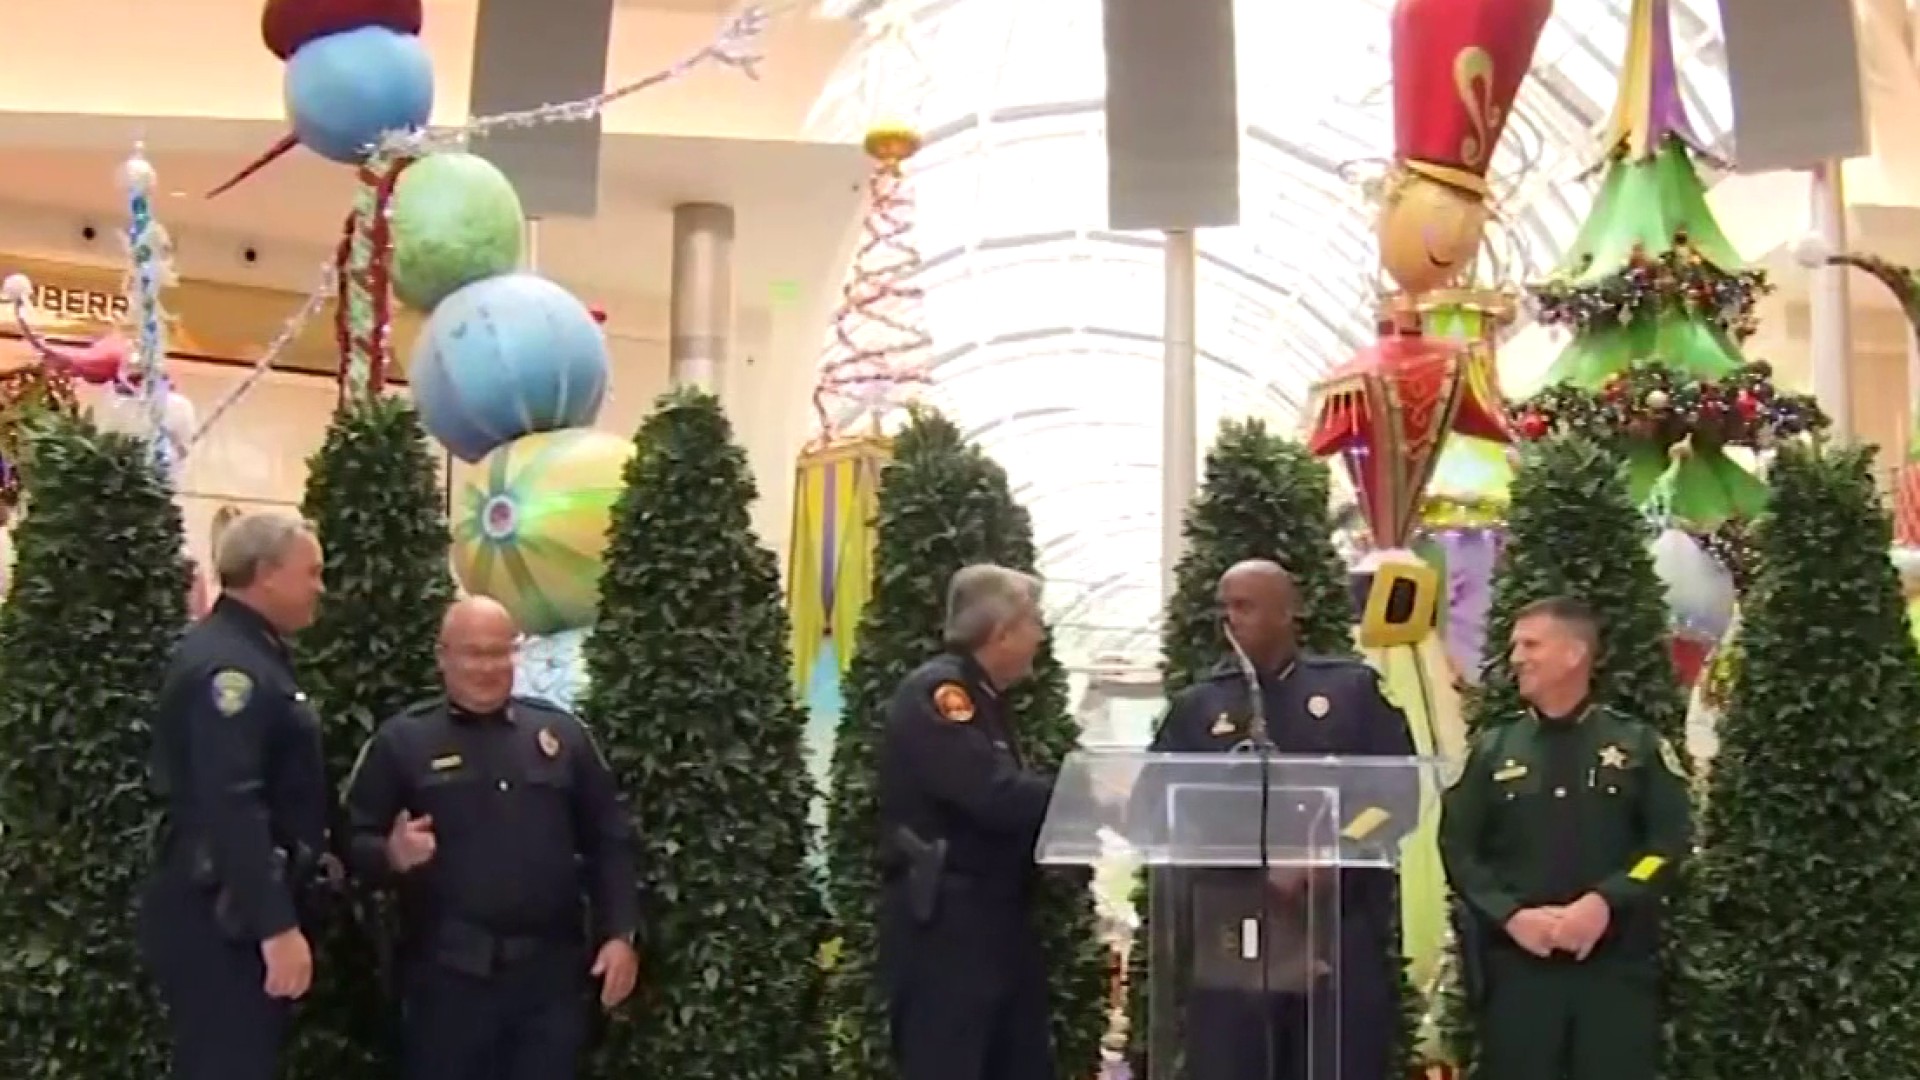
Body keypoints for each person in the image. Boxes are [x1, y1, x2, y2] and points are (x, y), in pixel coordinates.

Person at [341, 595, 640, 1080]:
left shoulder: (561, 737)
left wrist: (620, 934)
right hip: (447, 983)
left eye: (501, 652)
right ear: (443, 656)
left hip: (549, 982)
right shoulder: (404, 742)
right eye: (474, 653)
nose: (488, 667)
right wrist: (390, 855)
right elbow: (351, 843)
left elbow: (610, 838)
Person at [1146, 559, 1417, 1080]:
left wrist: (1329, 851)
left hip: (1335, 925)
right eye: (1224, 607)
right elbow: (1157, 807)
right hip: (1238, 925)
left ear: (1287, 611)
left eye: (1244, 605)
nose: (1231, 619)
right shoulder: (1198, 707)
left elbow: (1396, 793)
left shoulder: (1351, 693)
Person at [1438, 596, 1692, 1080]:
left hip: (1615, 975)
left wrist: (1606, 901)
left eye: (1531, 644)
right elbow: (1458, 850)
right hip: (1518, 975)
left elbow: (1665, 847)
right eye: (1515, 645)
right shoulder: (1493, 751)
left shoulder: (1636, 747)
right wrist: (1510, 915)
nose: (1516, 658)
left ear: (1574, 654)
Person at [139, 512, 331, 1080]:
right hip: (223, 917)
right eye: (312, 573)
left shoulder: (252, 650)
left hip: (232, 907)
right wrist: (274, 925)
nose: (320, 588)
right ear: (267, 575)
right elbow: (232, 803)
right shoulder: (232, 669)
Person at [877, 563, 1066, 1080]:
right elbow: (989, 792)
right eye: (1034, 623)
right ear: (1002, 632)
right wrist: (1082, 798)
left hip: (996, 922)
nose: (1040, 636)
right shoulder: (940, 695)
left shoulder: (986, 699)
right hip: (950, 931)